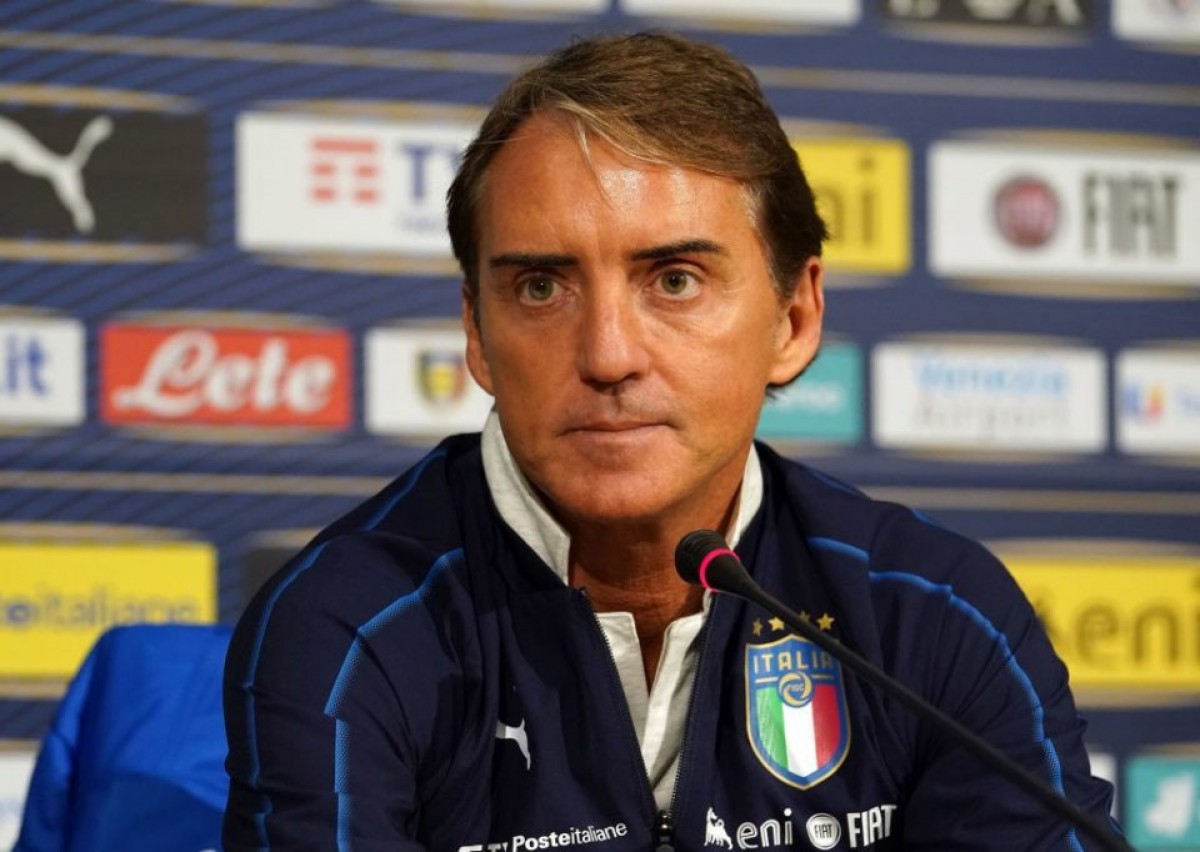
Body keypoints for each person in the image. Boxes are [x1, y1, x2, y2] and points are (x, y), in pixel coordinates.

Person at [222, 31, 1121, 851]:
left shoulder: (932, 612)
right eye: (541, 288)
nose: (608, 355)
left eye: (676, 280)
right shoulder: (352, 627)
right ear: (477, 333)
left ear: (794, 318)